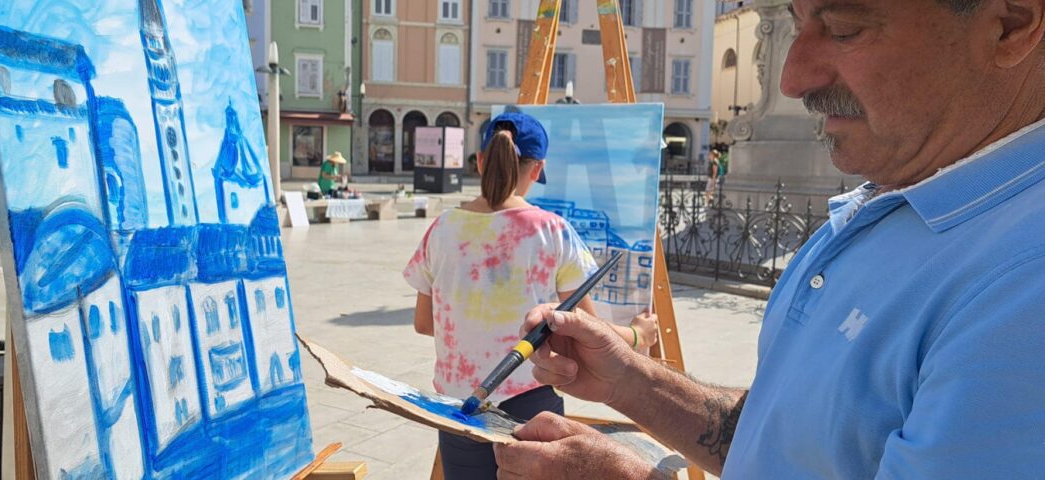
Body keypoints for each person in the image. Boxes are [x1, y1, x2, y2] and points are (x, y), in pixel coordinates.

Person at [493, 0, 1045, 478]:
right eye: (796, 22)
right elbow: (788, 442)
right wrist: (632, 381)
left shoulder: (1023, 288)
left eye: (845, 29)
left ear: (1011, 25)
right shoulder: (893, 197)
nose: (792, 78)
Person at [404, 112, 657, 480]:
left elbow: (425, 324)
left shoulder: (441, 229)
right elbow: (584, 327)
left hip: (456, 408)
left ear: (479, 161)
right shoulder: (552, 231)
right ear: (537, 169)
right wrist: (638, 335)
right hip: (529, 403)